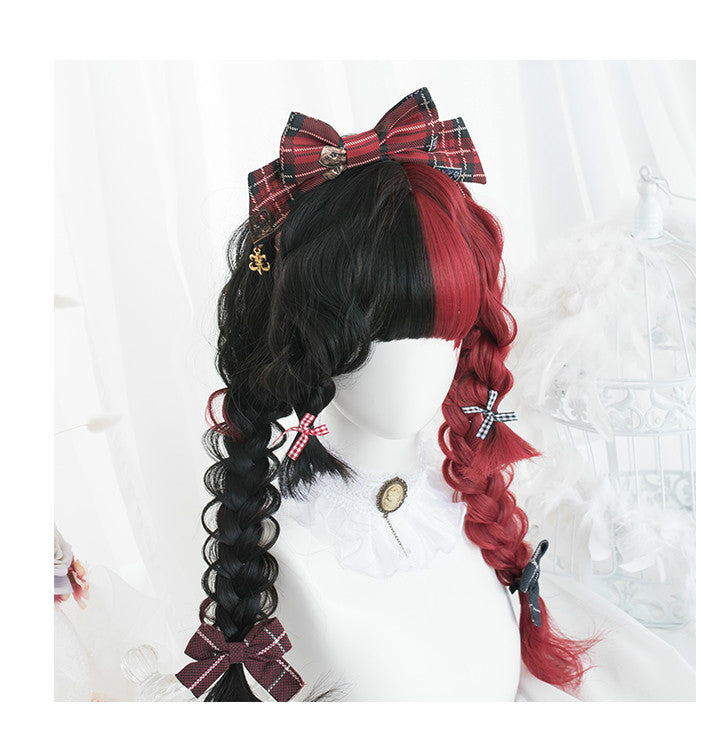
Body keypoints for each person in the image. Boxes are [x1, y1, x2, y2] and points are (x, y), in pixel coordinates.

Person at [175, 88, 592, 702]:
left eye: (444, 331)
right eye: (379, 333)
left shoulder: (460, 510)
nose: (415, 366)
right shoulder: (291, 559)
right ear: (307, 335)